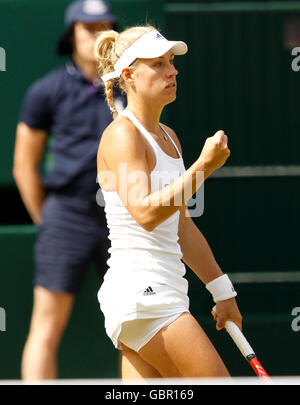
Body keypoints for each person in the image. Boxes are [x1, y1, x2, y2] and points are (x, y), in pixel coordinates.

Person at [94, 25, 243, 379]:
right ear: (128, 75)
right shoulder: (122, 135)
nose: (172, 70)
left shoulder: (169, 137)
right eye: (158, 63)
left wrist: (223, 292)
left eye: (171, 62)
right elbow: (145, 213)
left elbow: (181, 226)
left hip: (160, 293)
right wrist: (204, 166)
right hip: (144, 296)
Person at [12, 0, 125, 380]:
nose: (98, 35)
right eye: (88, 28)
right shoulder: (45, 91)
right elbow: (24, 166)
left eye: (105, 27)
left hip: (124, 214)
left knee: (138, 324)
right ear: (72, 34)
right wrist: (50, 220)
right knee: (45, 326)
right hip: (68, 215)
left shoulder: (132, 87)